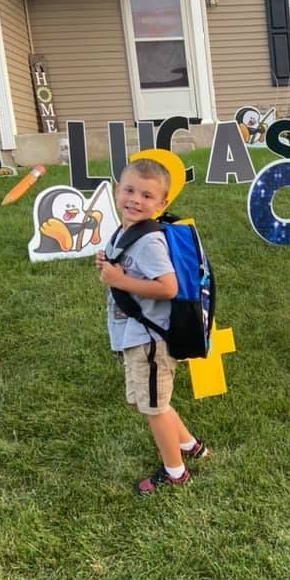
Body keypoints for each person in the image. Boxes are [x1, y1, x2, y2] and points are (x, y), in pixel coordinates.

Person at [95, 159, 207, 494]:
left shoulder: (149, 241)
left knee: (153, 408)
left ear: (162, 204)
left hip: (150, 338)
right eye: (129, 190)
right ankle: (189, 445)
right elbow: (123, 270)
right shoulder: (125, 232)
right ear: (118, 191)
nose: (135, 199)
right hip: (134, 336)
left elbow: (168, 288)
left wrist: (120, 279)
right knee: (148, 400)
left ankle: (176, 472)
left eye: (146, 195)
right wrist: (109, 267)